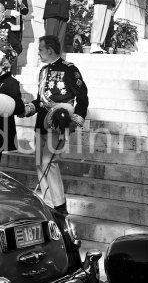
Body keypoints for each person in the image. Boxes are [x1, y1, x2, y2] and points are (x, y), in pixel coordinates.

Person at [27, 35, 89, 214]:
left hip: (59, 122)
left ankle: (60, 206)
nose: (38, 53)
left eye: (40, 50)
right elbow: (40, 100)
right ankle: (48, 204)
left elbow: (82, 97)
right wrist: (28, 108)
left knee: (49, 161)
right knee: (40, 162)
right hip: (41, 121)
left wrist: (75, 121)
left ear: (50, 50)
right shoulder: (43, 71)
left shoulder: (70, 70)